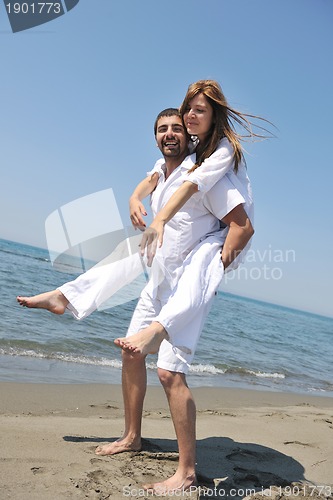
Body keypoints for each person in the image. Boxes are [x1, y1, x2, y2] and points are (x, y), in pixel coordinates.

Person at [93, 108, 253, 495]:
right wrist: (134, 196)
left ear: (190, 136)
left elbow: (242, 226)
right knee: (131, 354)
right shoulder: (163, 176)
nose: (169, 134)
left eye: (176, 129)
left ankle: (186, 473)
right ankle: (132, 436)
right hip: (158, 283)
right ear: (155, 138)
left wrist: (214, 271)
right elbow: (149, 181)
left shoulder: (206, 176)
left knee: (169, 373)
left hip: (187, 288)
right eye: (162, 129)